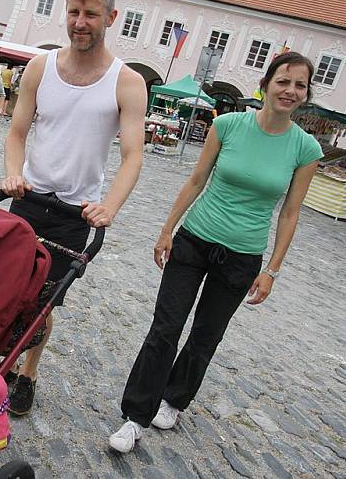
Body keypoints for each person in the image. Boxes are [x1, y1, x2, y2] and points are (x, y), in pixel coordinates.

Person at [109, 51, 324, 453]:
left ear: (306, 93)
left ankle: (174, 399)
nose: (290, 90)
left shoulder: (305, 149)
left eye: (300, 84)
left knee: (205, 336)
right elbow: (195, 180)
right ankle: (134, 417)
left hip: (243, 257)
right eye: (283, 81)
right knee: (165, 328)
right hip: (195, 240)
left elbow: (291, 213)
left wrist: (272, 270)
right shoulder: (227, 125)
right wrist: (167, 229)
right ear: (266, 84)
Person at [0, 0, 146, 416]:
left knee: (42, 304)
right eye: (74, 12)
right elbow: (17, 133)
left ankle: (28, 371)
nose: (80, 22)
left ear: (111, 17)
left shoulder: (127, 82)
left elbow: (133, 155)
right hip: (28, 197)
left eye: (91, 14)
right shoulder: (40, 67)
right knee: (6, 290)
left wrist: (110, 207)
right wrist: (11, 173)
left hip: (74, 212)